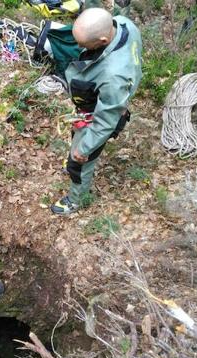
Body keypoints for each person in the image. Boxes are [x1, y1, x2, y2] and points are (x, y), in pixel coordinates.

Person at [50, 7, 142, 215]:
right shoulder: (123, 23)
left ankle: (76, 199)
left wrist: (84, 149)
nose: (80, 48)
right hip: (99, 100)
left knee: (80, 162)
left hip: (100, 113)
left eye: (83, 45)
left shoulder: (113, 76)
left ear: (102, 40)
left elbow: (105, 121)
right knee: (78, 142)